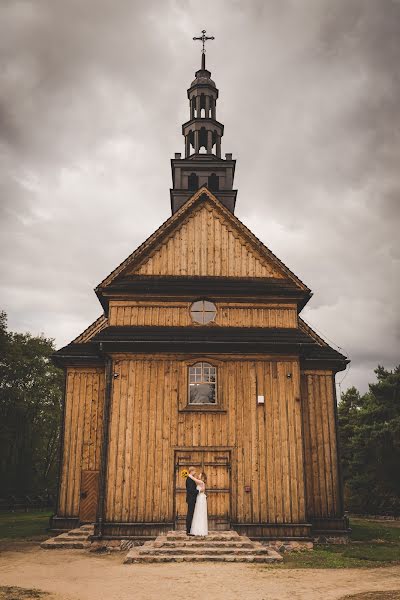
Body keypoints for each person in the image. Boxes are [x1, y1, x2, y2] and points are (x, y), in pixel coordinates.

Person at [188, 470, 208, 536]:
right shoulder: (200, 483)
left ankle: (200, 530)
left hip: (201, 499)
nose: (198, 475)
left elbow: (194, 479)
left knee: (200, 513)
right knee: (198, 513)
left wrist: (188, 475)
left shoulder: (201, 482)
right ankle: (198, 529)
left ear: (202, 477)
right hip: (199, 498)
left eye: (200, 474)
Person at [185, 466, 199, 535]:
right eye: (194, 471)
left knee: (191, 514)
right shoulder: (189, 479)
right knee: (190, 514)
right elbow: (191, 490)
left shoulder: (190, 478)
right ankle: (188, 531)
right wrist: (198, 491)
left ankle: (190, 530)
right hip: (191, 499)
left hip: (191, 499)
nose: (195, 472)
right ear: (191, 471)